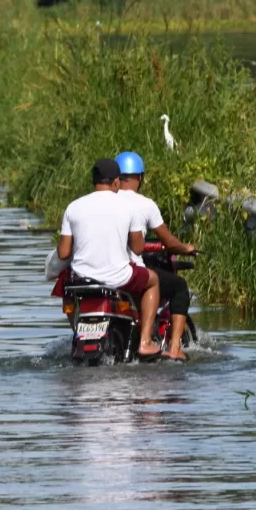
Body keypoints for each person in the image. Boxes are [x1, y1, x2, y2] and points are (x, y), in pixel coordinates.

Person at [56, 157, 162, 359]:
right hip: (118, 277)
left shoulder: (73, 207)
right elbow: (138, 248)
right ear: (116, 182)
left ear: (94, 181)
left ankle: (78, 332)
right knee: (154, 280)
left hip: (81, 278)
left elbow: (63, 253)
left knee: (65, 285)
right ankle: (146, 342)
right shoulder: (127, 207)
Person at [115, 151, 197, 362]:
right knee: (179, 286)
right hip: (129, 271)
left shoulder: (103, 201)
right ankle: (175, 347)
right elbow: (169, 242)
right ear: (140, 178)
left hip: (100, 271)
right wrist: (185, 248)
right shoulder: (145, 204)